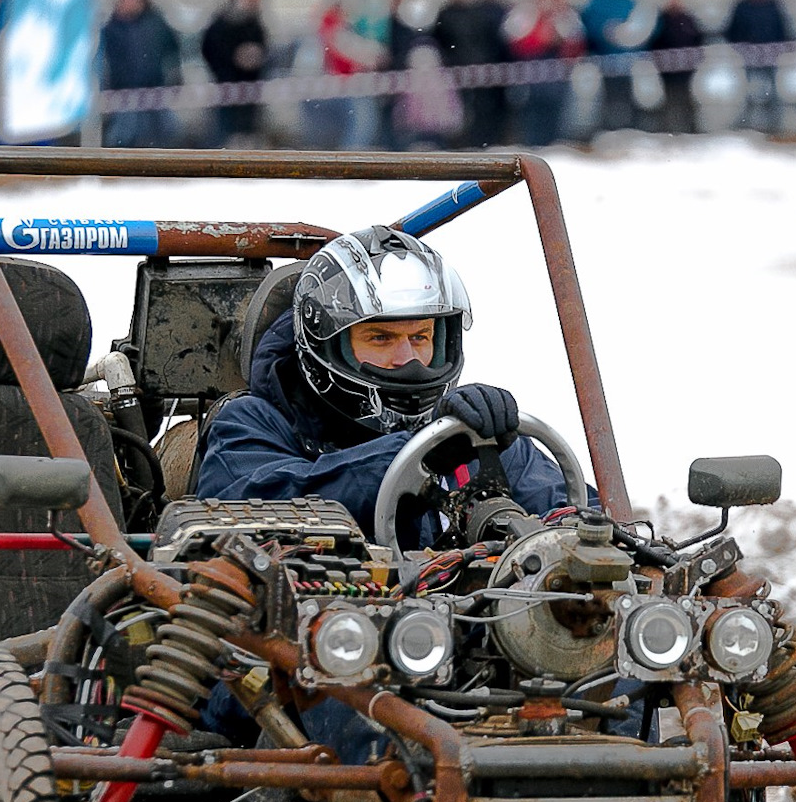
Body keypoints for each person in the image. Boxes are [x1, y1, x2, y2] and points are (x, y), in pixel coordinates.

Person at [197, 228, 581, 761]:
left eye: (421, 338)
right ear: (329, 345)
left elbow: (572, 529)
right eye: (380, 339)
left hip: (463, 646)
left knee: (604, 654)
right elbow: (263, 504)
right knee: (354, 683)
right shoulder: (252, 422)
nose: (410, 361)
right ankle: (432, 799)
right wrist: (416, 453)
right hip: (296, 653)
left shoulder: (466, 433)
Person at [98, 0, 180, 148]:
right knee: (124, 135)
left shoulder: (155, 23)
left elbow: (172, 50)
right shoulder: (111, 28)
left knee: (165, 132)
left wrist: (173, 75)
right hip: (124, 91)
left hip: (154, 89)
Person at [504, 0, 583, 147]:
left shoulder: (567, 15)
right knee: (533, 115)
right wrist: (541, 38)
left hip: (558, 74)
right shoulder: (527, 13)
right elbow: (516, 42)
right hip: (532, 73)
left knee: (556, 115)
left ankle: (554, 148)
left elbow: (576, 43)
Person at [434, 0, 510, 147]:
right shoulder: (446, 13)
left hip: (480, 70)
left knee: (482, 110)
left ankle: (481, 142)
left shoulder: (478, 13)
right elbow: (440, 40)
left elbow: (488, 41)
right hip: (455, 71)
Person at [201, 0, 268, 145]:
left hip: (250, 86)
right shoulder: (221, 24)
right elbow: (210, 49)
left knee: (247, 130)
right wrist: (230, 62)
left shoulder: (255, 25)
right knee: (225, 129)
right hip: (226, 84)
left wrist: (254, 59)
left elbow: (264, 51)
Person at [723, 0, 793, 134]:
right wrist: (741, 48)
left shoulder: (774, 5)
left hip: (771, 58)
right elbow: (732, 31)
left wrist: (780, 48)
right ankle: (745, 126)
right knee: (748, 94)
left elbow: (782, 30)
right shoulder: (742, 5)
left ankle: (775, 127)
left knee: (773, 94)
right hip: (749, 58)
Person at [317, 0, 387, 150]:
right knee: (362, 126)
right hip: (348, 86)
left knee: (358, 126)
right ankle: (352, 158)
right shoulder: (334, 28)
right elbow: (351, 51)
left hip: (347, 84)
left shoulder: (334, 27)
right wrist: (373, 55)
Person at [579, 0, 641, 135]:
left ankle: (628, 131)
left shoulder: (625, 0)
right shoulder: (594, 1)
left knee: (627, 99)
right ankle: (608, 132)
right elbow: (589, 28)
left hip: (625, 61)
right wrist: (605, 31)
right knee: (608, 100)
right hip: (604, 61)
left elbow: (638, 26)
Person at [647, 0, 703, 134]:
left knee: (686, 101)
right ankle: (668, 132)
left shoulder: (689, 20)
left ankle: (690, 132)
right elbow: (653, 43)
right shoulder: (661, 20)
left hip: (686, 72)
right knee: (669, 102)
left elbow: (698, 42)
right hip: (667, 73)